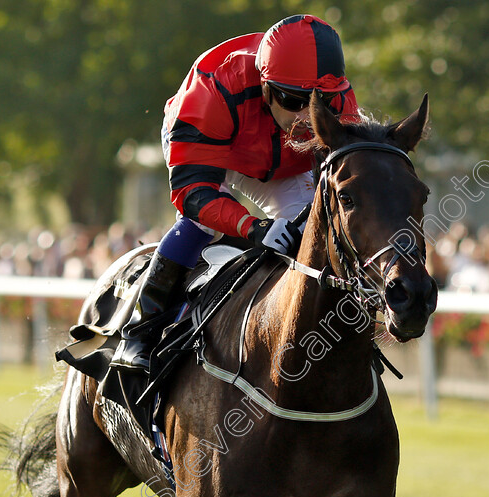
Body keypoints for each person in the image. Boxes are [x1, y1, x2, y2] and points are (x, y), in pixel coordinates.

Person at [136, 15, 359, 324]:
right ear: (266, 89)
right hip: (212, 147)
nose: (308, 117)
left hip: (278, 159)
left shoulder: (342, 102)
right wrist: (254, 227)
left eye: (320, 101)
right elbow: (193, 194)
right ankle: (141, 332)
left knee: (312, 228)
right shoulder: (213, 91)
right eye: (294, 101)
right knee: (201, 225)